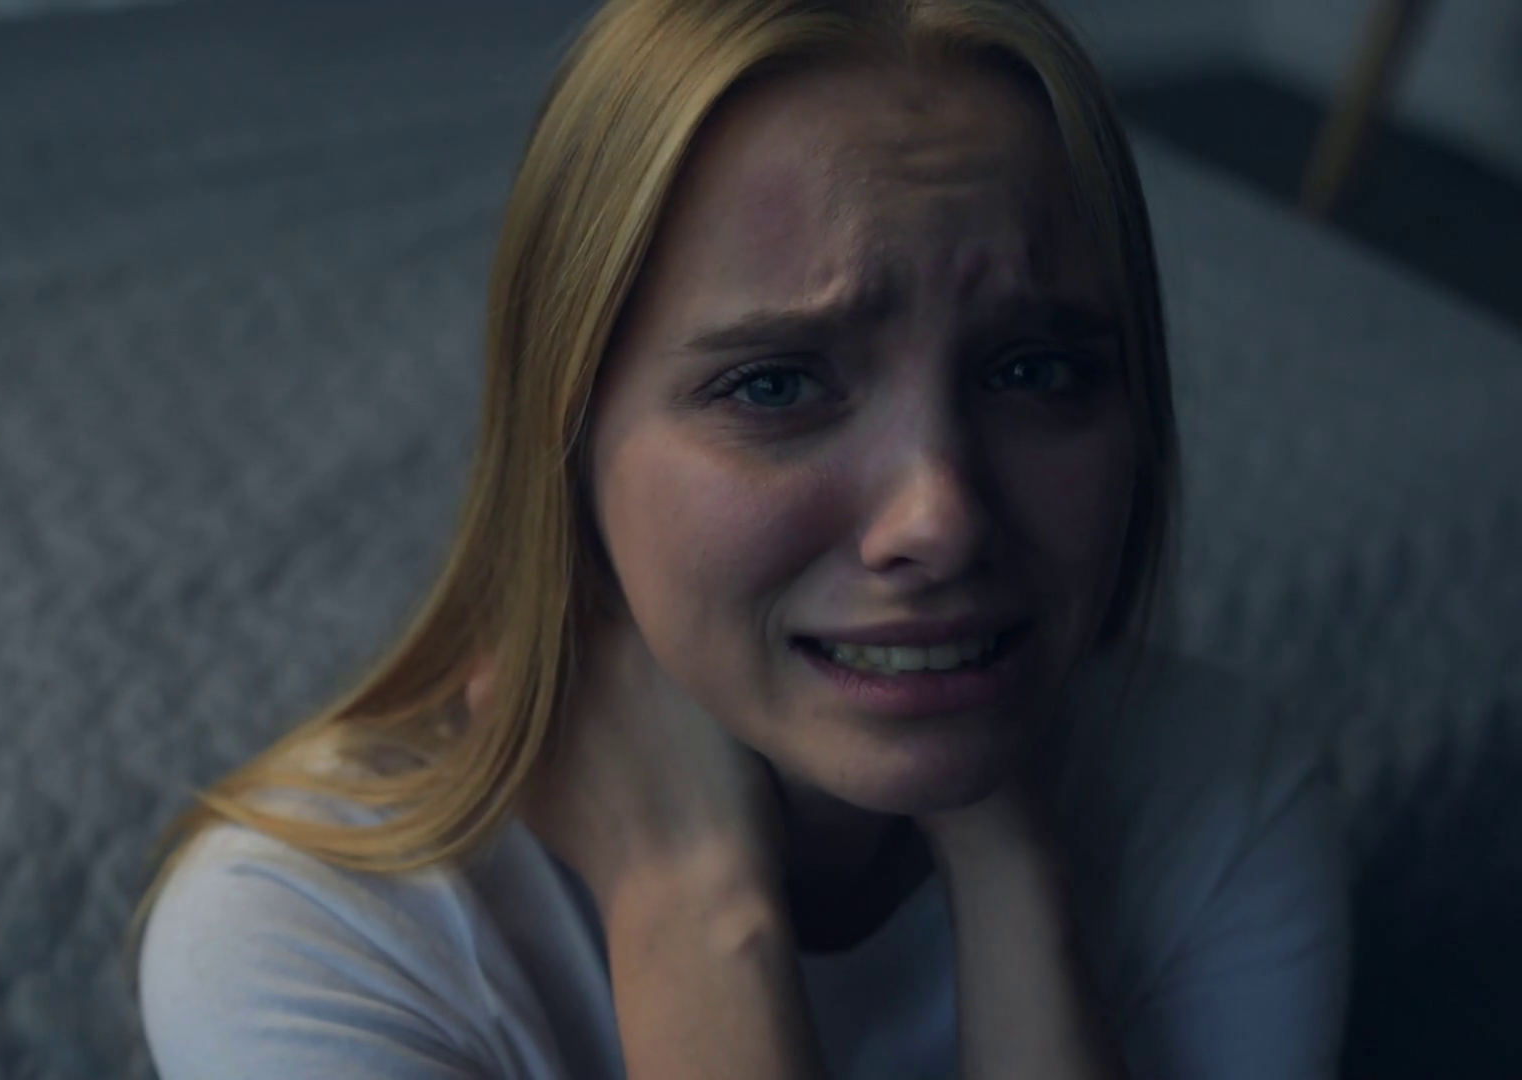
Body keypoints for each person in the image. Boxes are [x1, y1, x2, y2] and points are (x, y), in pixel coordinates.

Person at [127, 0, 1351, 1076]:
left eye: (1034, 369)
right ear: (567, 437)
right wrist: (692, 906)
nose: (940, 519)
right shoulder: (309, 934)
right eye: (776, 386)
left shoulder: (1220, 801)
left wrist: (1014, 876)